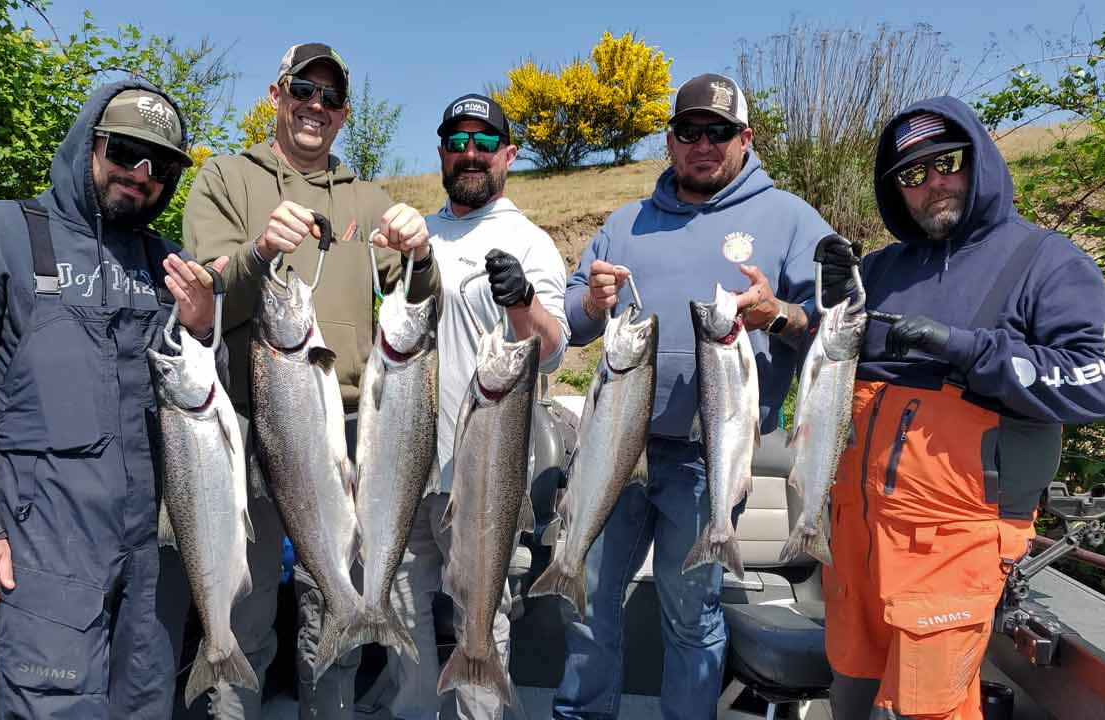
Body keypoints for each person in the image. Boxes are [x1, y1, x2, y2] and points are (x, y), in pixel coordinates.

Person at [0, 81, 224, 717]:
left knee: (148, 706)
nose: (141, 174)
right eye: (126, 151)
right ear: (88, 144)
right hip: (44, 559)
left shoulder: (171, 267)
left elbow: (206, 405)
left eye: (161, 165)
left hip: (152, 564)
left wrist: (205, 329)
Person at [819, 98, 1105, 720]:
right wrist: (801, 314)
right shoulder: (878, 270)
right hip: (856, 537)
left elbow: (1099, 384)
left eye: (946, 163)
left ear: (978, 160)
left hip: (955, 542)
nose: (931, 184)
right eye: (910, 175)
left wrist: (969, 350)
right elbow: (822, 370)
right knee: (849, 697)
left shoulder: (1047, 263)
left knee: (924, 712)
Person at [172, 42, 440, 720]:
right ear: (276, 94)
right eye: (303, 90)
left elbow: (418, 302)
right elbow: (206, 300)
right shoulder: (225, 180)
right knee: (246, 612)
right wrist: (260, 252)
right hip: (248, 425)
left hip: (352, 431)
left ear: (345, 113)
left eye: (329, 97)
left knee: (333, 620)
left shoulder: (367, 195)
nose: (314, 106)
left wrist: (421, 250)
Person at [553, 73, 834, 719]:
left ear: (746, 139)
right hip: (612, 450)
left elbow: (845, 328)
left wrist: (783, 313)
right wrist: (593, 302)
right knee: (588, 602)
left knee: (691, 618)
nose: (702, 144)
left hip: (710, 461)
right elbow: (572, 318)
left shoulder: (789, 218)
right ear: (670, 140)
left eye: (719, 131)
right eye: (688, 131)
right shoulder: (626, 224)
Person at [381, 93, 569, 720]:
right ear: (439, 153)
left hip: (486, 478)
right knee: (402, 618)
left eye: (485, 143)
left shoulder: (531, 241)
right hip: (404, 474)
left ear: (508, 156)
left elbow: (551, 351)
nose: (470, 153)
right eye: (457, 142)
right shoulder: (417, 237)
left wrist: (521, 304)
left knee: (481, 618)